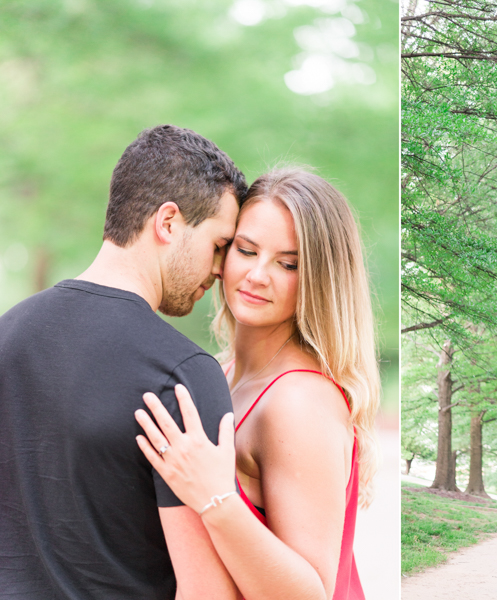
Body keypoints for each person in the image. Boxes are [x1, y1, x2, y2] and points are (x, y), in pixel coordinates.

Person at [0, 125, 248, 600]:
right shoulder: (181, 374)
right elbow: (207, 592)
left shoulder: (7, 335)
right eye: (219, 244)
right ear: (169, 222)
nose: (221, 270)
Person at [135, 168, 381, 600]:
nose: (257, 275)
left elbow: (312, 593)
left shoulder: (300, 400)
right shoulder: (218, 372)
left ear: (320, 280)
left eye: (288, 263)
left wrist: (216, 498)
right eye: (246, 251)